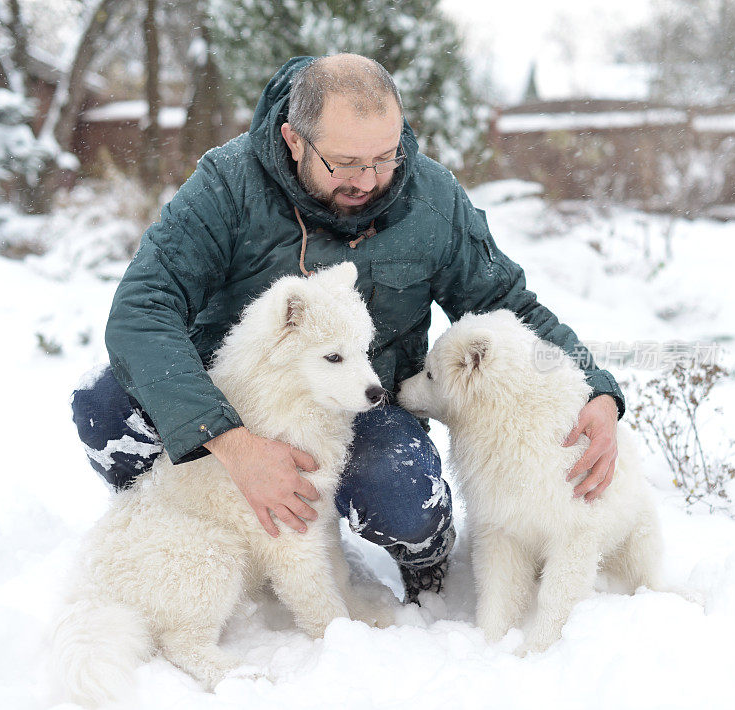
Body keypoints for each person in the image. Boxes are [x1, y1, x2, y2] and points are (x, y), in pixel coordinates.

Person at [71, 54, 624, 605]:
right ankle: (191, 532)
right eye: (345, 163)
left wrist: (595, 388)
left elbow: (508, 304)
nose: (370, 179)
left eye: (385, 156)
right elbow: (142, 311)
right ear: (293, 139)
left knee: (404, 493)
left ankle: (427, 561)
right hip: (235, 393)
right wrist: (235, 446)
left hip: (365, 399)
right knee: (105, 407)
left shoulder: (431, 199)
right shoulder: (227, 186)